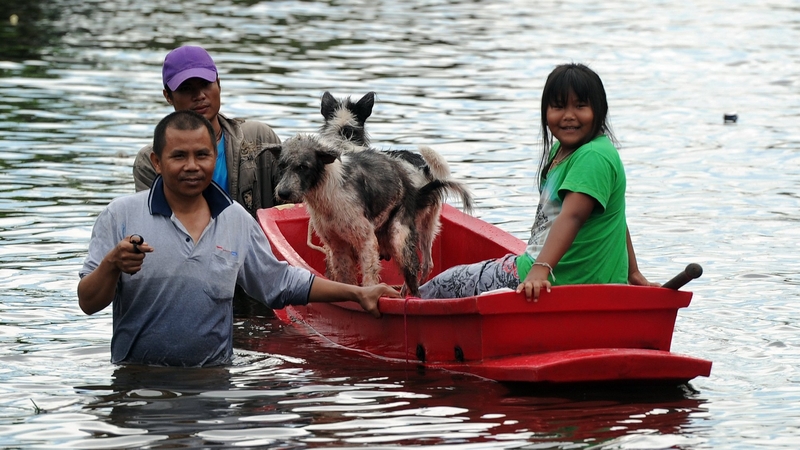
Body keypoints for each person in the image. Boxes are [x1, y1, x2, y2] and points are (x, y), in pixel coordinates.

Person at [79, 110, 399, 367]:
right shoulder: (119, 216)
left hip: (214, 385)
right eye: (179, 156)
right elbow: (88, 302)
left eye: (202, 155)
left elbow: (280, 282)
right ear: (157, 162)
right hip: (138, 387)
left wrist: (359, 293)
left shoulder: (235, 219)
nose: (192, 166)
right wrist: (111, 264)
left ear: (213, 158)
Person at [419, 63, 657, 302]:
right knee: (454, 281)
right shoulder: (564, 150)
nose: (569, 116)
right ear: (545, 112)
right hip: (562, 273)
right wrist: (632, 272)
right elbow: (616, 216)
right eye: (558, 106)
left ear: (600, 110)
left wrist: (541, 268)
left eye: (580, 106)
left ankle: (405, 305)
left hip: (559, 279)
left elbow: (573, 216)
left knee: (445, 283)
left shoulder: (592, 156)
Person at [133, 45, 281, 217]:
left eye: (205, 84)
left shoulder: (259, 138)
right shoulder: (149, 161)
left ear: (218, 84)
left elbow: (295, 206)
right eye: (186, 88)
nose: (199, 95)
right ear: (168, 96)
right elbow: (152, 224)